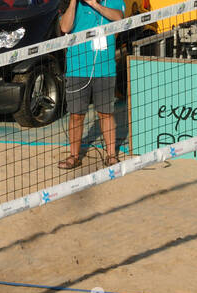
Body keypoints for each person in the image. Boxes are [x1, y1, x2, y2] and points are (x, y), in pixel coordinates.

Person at [58, 0, 125, 169]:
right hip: (77, 69)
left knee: (105, 113)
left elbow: (119, 19)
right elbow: (65, 28)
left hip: (105, 69)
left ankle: (111, 155)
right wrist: (73, 3)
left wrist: (95, 4)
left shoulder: (114, 2)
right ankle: (74, 156)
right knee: (76, 115)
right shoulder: (71, 3)